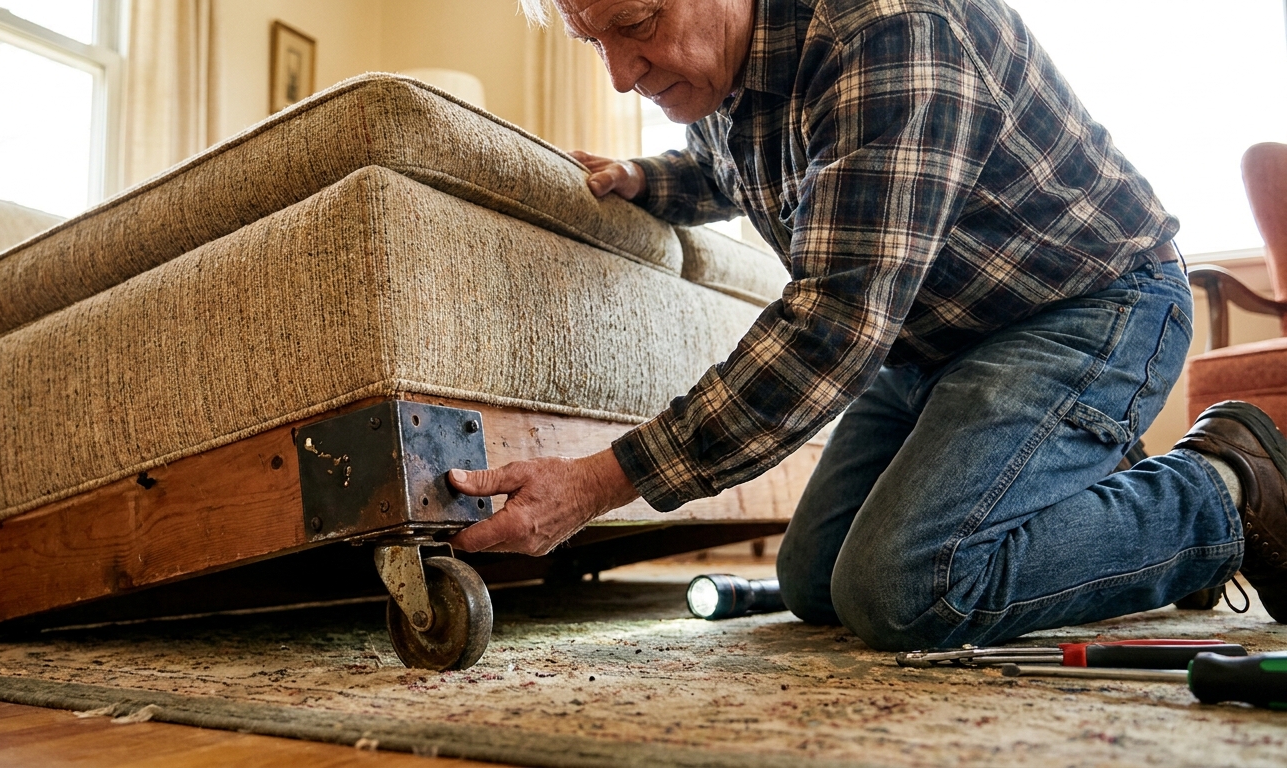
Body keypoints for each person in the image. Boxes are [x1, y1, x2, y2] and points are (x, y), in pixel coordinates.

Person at [445, 0, 1287, 651]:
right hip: (935, 343)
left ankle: (1228, 488)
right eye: (592, 41)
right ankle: (1087, 494)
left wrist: (599, 481)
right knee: (814, 583)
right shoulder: (723, 64)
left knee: (905, 589)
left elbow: (833, 327)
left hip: (1090, 307)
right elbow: (733, 165)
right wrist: (645, 178)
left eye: (636, 25)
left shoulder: (887, 33)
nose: (622, 75)